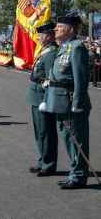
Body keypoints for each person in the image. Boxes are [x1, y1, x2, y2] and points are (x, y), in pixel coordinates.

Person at [42, 12, 92, 189]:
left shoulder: (77, 47)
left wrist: (78, 103)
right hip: (61, 102)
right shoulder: (64, 47)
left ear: (70, 29)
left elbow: (81, 79)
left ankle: (78, 175)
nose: (55, 29)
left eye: (59, 27)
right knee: (68, 140)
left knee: (76, 140)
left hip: (71, 102)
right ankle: (74, 172)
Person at [26, 22, 58, 176]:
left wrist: (47, 99)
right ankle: (42, 161)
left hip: (42, 97)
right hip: (35, 96)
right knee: (39, 132)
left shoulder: (51, 53)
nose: (39, 37)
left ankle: (49, 164)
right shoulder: (45, 51)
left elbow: (50, 79)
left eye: (42, 34)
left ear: (50, 36)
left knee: (46, 132)